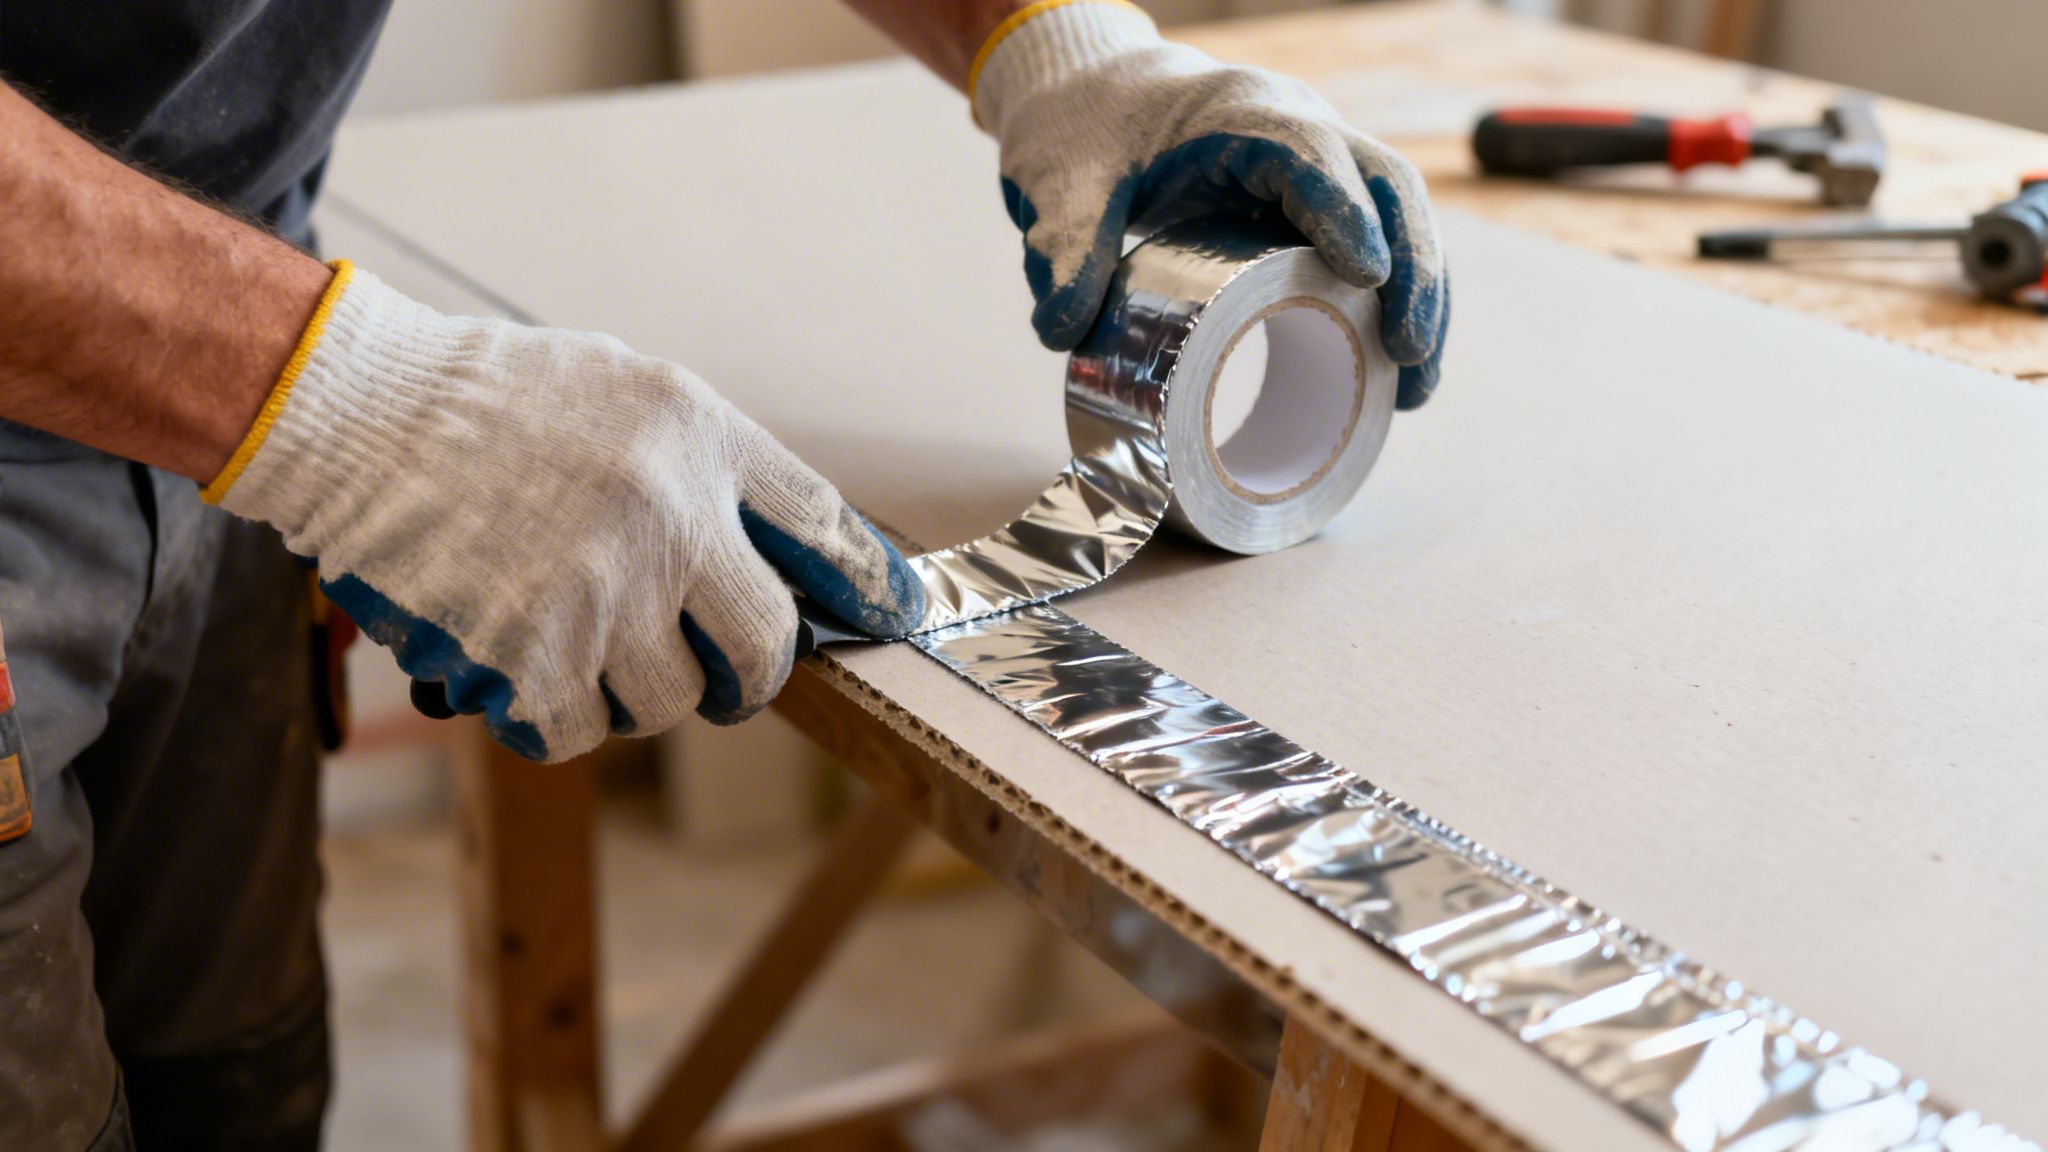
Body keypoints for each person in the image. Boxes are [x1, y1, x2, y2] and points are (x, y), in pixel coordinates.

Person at [0, 0, 1447, 1145]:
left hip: (244, 342)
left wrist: (1055, 45)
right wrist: (340, 405)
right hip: (207, 389)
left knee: (233, 1082)